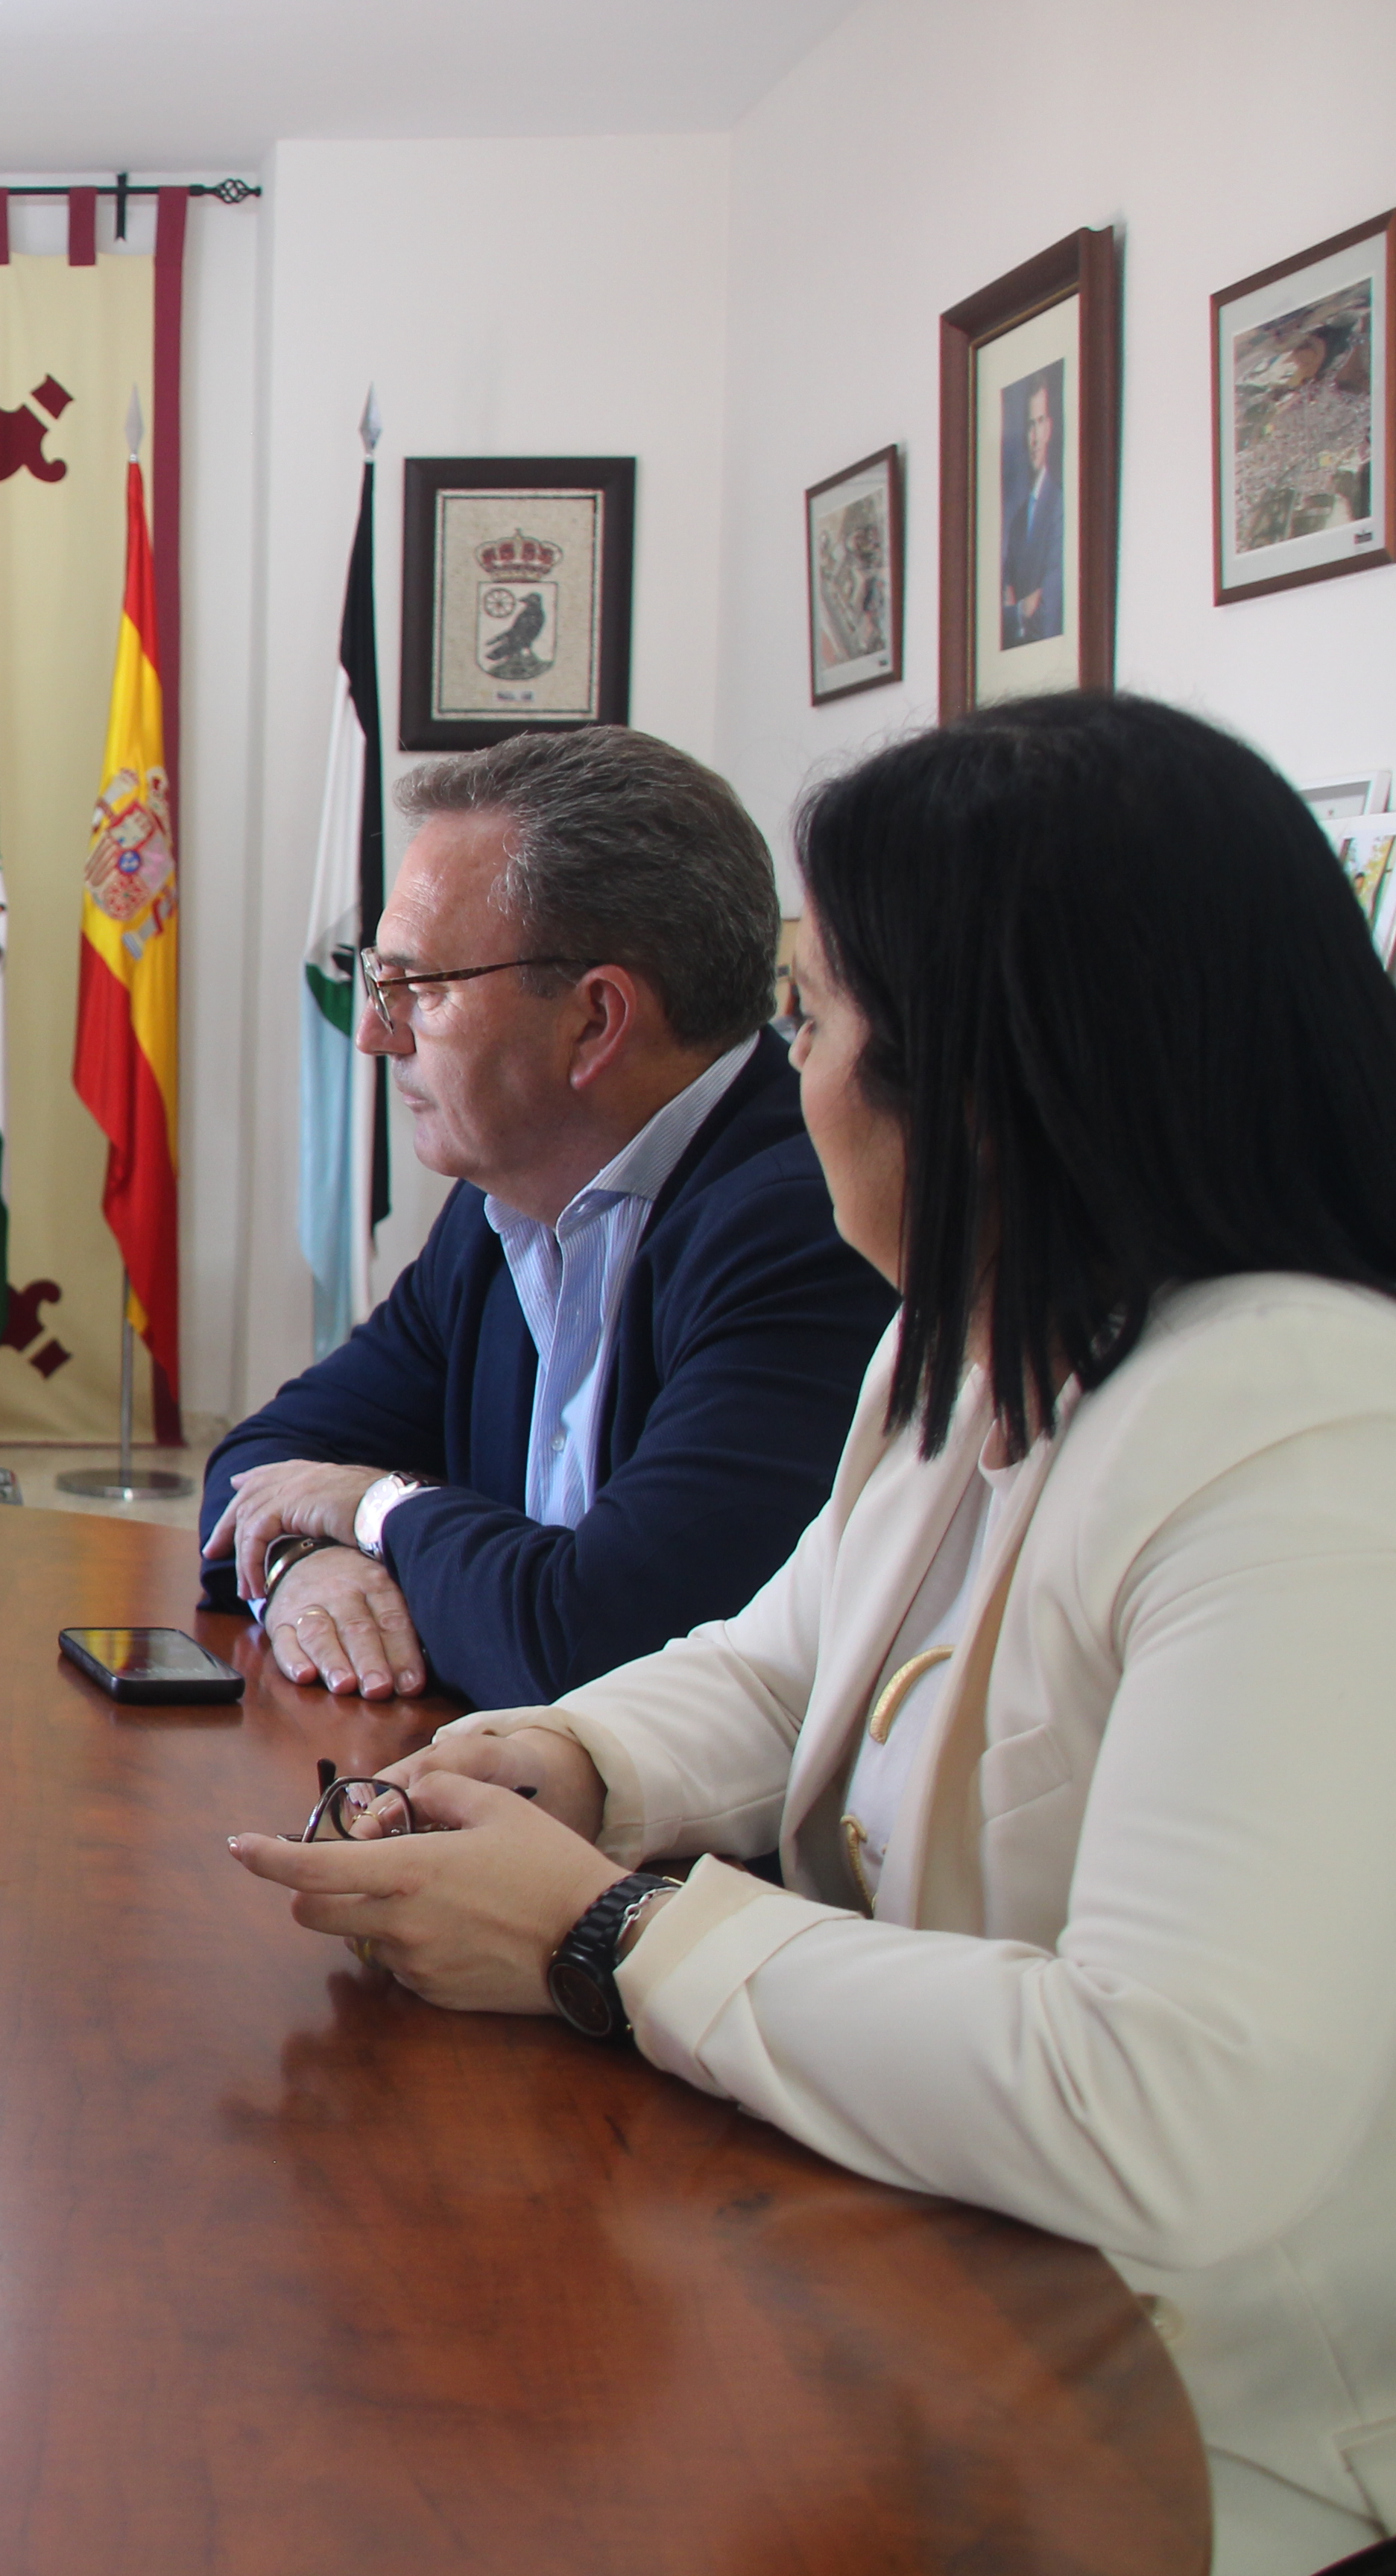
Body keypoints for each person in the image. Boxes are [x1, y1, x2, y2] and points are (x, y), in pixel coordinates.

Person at [228, 694, 1396, 2576]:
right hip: (936, 2274)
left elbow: (1173, 2104)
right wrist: (568, 1759)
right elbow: (777, 1658)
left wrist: (604, 1932)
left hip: (1206, 2444)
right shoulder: (978, 1334)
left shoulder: (1310, 1433)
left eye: (814, 1015)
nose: (793, 1078)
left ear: (995, 1068)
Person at [199, 727, 896, 1710]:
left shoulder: (801, 1228)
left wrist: (376, 1507)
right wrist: (308, 1560)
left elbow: (595, 1645)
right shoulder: (501, 1201)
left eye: (420, 988)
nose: (372, 1032)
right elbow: (263, 1462)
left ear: (597, 1020)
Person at [1000, 370, 1065, 648]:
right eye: (1029, 426)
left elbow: (1050, 608)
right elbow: (1005, 607)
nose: (1035, 437)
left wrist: (1023, 607)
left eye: (1040, 423)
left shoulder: (1061, 506)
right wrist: (1024, 607)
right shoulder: (1016, 523)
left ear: (1049, 428)